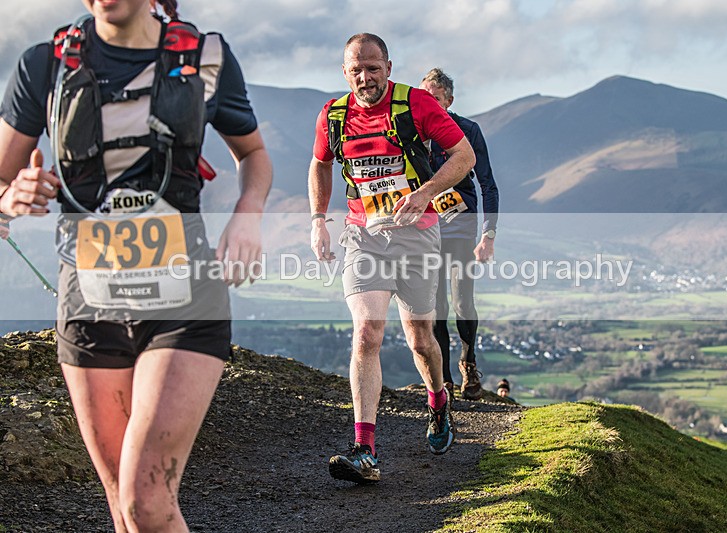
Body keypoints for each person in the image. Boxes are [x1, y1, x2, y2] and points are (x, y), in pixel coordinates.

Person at [0, 1, 272, 531]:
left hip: (185, 299)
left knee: (146, 499)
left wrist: (247, 217)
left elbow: (254, 155)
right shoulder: (46, 64)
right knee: (124, 508)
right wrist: (12, 195)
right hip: (89, 301)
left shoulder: (204, 57)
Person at [309, 33, 475, 484]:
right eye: (356, 69)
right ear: (346, 72)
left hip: (417, 237)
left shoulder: (417, 104)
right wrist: (317, 219)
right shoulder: (334, 115)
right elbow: (320, 163)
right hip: (363, 236)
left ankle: (438, 399)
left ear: (388, 65)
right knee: (366, 334)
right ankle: (365, 449)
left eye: (373, 67)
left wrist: (424, 193)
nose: (365, 77)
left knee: (421, 338)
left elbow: (465, 155)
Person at [420, 68, 499, 401]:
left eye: (435, 99)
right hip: (426, 227)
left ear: (449, 101)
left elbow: (488, 185)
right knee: (434, 304)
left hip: (462, 223)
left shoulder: (468, 130)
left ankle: (469, 362)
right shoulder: (410, 132)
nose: (429, 105)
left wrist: (488, 235)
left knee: (462, 299)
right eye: (424, 98)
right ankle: (445, 379)